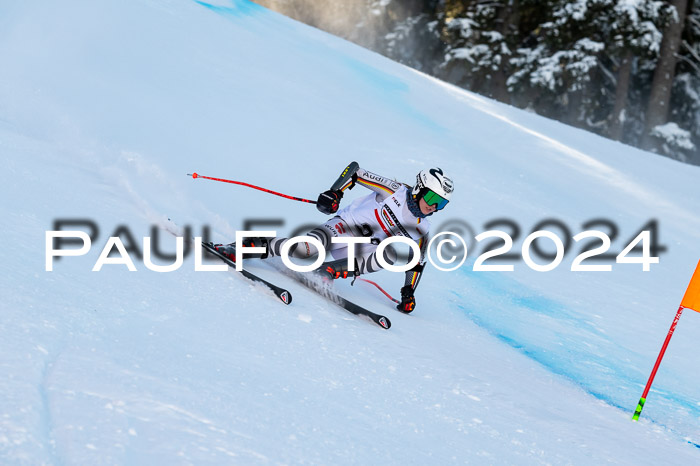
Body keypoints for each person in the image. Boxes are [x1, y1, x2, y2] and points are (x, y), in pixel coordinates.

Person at [215, 165, 453, 313]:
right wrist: (335, 192)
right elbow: (355, 172)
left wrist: (408, 293)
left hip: (357, 252)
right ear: (419, 189)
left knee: (388, 254)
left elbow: (417, 262)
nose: (434, 207)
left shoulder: (422, 227)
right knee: (306, 251)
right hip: (342, 226)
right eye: (432, 198)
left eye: (441, 203)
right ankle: (247, 246)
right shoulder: (394, 190)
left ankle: (327, 271)